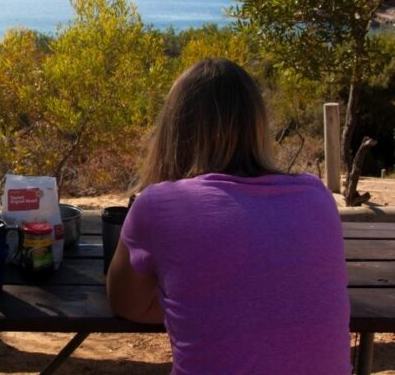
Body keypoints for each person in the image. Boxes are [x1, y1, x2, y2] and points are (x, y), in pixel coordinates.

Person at [107, 58, 350, 375]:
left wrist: (201, 306)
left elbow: (126, 303)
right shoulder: (317, 196)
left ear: (175, 130)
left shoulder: (159, 205)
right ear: (259, 127)